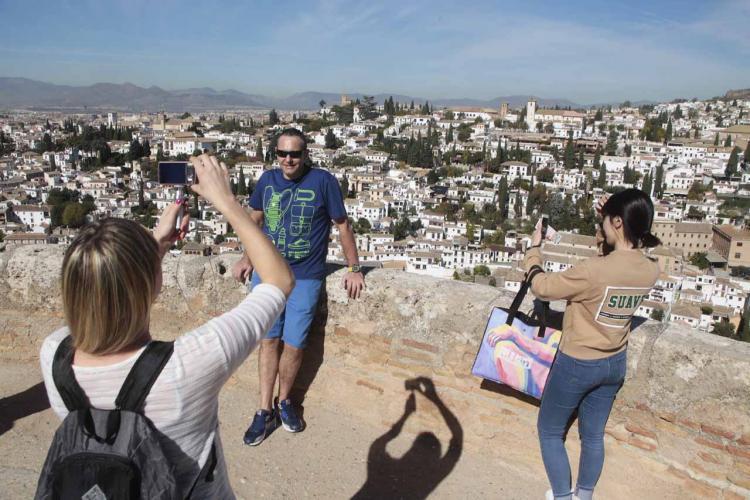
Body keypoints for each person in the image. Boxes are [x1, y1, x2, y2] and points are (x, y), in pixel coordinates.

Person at [39, 154, 294, 498]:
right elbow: (278, 280)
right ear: (155, 282)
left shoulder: (53, 355)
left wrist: (153, 248)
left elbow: (104, 299)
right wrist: (228, 203)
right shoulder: (189, 364)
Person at [523, 189, 661, 500]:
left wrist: (533, 251)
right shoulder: (651, 269)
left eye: (607, 221)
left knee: (549, 432)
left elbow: (543, 287)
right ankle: (583, 495)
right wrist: (606, 223)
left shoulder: (593, 271)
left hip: (577, 362)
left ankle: (561, 496)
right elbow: (612, 264)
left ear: (617, 222)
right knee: (593, 436)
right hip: (614, 362)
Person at [232, 127, 365, 446]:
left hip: (306, 276)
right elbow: (255, 220)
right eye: (282, 153)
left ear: (305, 154)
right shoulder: (266, 181)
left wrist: (354, 267)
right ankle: (264, 410)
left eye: (295, 153)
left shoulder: (323, 181)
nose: (288, 159)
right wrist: (247, 256)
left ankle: (285, 402)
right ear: (275, 155)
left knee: (294, 344)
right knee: (268, 341)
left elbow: (343, 225)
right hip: (268, 273)